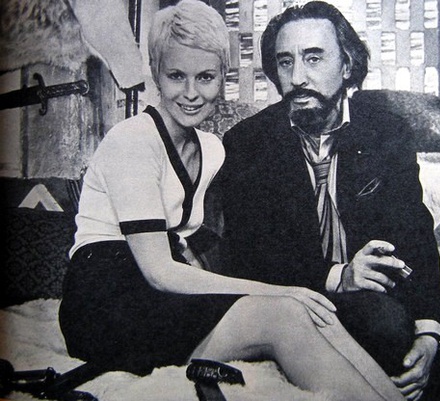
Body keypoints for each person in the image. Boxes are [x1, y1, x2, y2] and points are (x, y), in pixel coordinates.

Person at [58, 2, 406, 400]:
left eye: (205, 77)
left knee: (313, 310)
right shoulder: (133, 141)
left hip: (164, 298)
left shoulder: (212, 150)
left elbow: (202, 247)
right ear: (155, 72)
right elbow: (160, 272)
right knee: (286, 312)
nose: (191, 93)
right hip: (106, 304)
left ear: (223, 76)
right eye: (176, 76)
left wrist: (286, 292)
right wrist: (279, 291)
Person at [219, 2, 440, 401]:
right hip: (305, 298)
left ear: (347, 65)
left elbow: (416, 236)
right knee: (385, 325)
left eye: (313, 58)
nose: (297, 77)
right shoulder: (248, 142)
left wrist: (429, 330)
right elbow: (248, 257)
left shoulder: (385, 131)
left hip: (389, 294)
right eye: (285, 62)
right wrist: (339, 276)